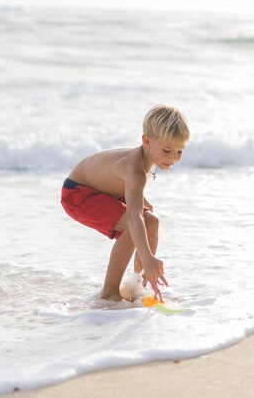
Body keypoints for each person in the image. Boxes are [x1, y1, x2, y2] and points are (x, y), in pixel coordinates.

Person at [61, 104, 190, 302]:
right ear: (146, 141)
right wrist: (147, 257)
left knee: (151, 221)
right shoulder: (135, 169)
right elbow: (133, 216)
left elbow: (128, 193)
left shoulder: (145, 160)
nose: (173, 157)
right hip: (78, 194)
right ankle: (109, 293)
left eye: (180, 152)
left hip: (104, 189)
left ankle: (139, 288)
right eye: (167, 150)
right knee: (134, 225)